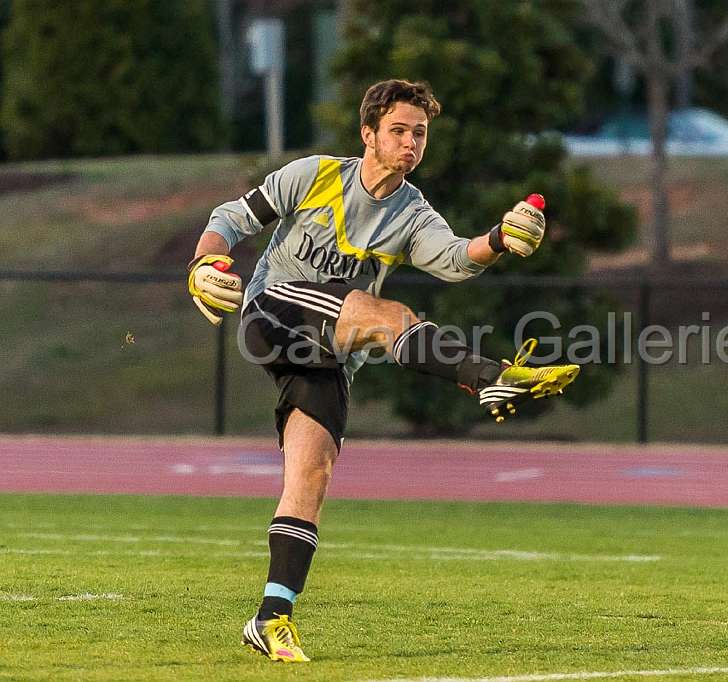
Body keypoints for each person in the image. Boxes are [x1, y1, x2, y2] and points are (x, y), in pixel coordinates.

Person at [186, 79, 580, 662]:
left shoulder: (412, 211)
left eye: (419, 133)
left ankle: (271, 617)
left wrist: (501, 238)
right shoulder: (314, 174)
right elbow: (232, 217)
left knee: (311, 473)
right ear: (367, 133)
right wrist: (203, 261)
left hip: (328, 350)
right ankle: (489, 374)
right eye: (398, 130)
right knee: (388, 314)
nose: (411, 142)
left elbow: (452, 260)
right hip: (271, 312)